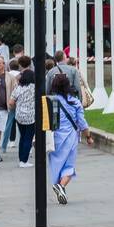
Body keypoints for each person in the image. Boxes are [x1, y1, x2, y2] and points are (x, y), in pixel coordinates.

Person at [47, 71, 93, 203]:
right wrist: (88, 136)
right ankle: (61, 185)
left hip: (53, 137)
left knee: (55, 163)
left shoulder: (50, 101)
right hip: (70, 137)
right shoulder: (75, 102)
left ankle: (59, 185)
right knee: (69, 165)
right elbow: (82, 122)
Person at [11, 68, 38, 166]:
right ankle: (24, 160)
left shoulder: (18, 88)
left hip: (19, 116)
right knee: (28, 138)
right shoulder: (35, 88)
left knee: (22, 137)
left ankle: (21, 159)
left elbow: (11, 103)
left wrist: (18, 106)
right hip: (31, 116)